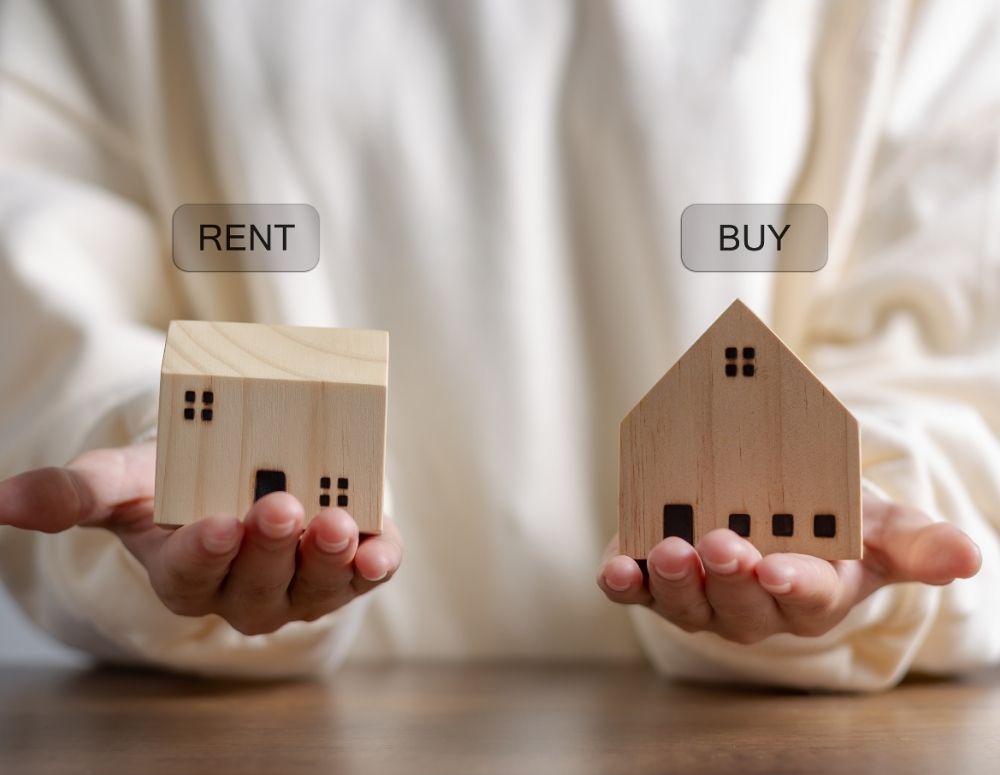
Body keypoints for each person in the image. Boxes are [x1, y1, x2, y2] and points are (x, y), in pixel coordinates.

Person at [0, 0, 997, 689]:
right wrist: (150, 434)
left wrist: (872, 499)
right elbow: (46, 295)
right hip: (255, 743)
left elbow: (954, 327)